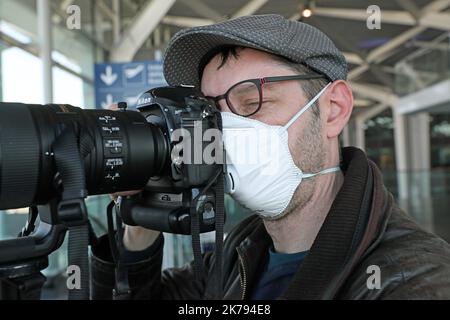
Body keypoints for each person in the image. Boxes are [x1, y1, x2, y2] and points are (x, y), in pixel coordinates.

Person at [91, 14, 450, 300]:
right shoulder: (237, 253)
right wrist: (140, 219)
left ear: (333, 110)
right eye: (210, 114)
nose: (226, 132)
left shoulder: (414, 281)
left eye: (251, 103)